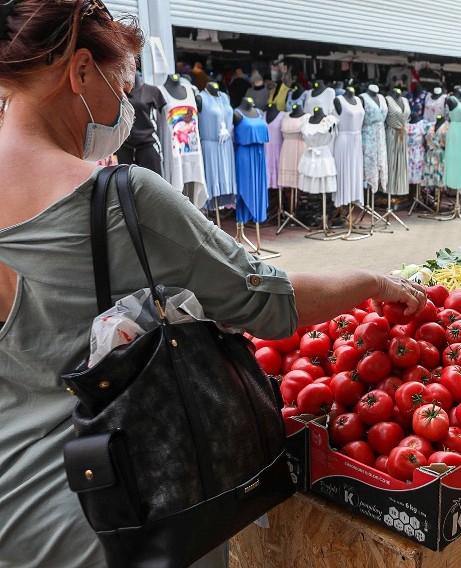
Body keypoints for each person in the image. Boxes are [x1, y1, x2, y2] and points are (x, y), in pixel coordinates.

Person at [0, 3, 426, 568]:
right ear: (80, 72)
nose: (124, 104)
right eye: (120, 83)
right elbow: (268, 301)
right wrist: (371, 279)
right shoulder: (122, 200)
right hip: (114, 520)